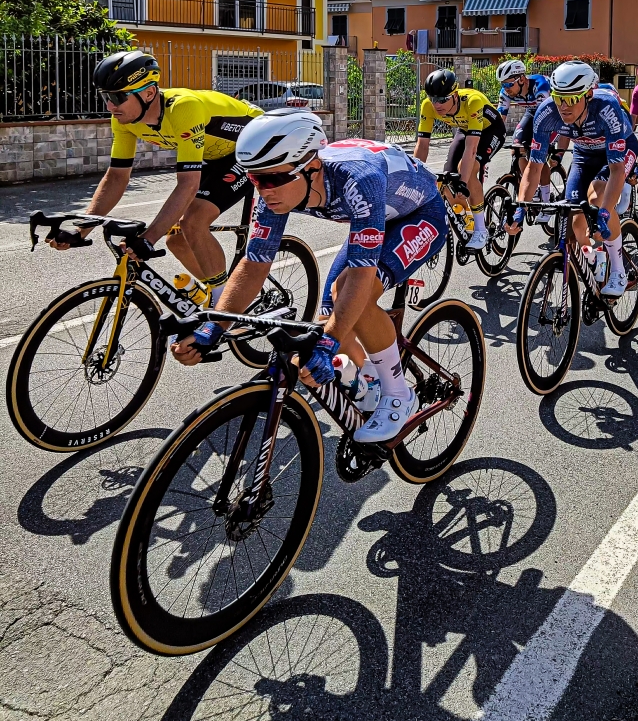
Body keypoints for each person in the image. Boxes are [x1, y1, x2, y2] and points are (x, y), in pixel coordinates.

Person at [173, 114, 448, 443]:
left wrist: (327, 344)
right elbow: (254, 265)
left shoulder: (358, 179)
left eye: (273, 179)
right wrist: (212, 327)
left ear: (312, 168)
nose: (264, 190)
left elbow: (361, 276)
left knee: (349, 295)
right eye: (256, 180)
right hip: (377, 216)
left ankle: (398, 393)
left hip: (421, 212)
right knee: (329, 315)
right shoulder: (273, 192)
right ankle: (371, 379)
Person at [48, 50, 263, 300]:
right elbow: (116, 177)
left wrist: (148, 239)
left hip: (254, 145)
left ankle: (224, 303)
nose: (110, 106)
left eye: (118, 97)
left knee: (193, 222)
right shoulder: (124, 119)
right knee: (176, 239)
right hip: (215, 155)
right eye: (106, 97)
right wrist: (81, 229)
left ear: (149, 93)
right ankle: (218, 294)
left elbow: (187, 184)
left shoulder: (183, 108)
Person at [510, 60, 638, 297]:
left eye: (570, 99)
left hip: (618, 154)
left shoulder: (606, 108)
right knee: (576, 218)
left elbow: (617, 169)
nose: (563, 107)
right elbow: (535, 165)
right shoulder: (547, 111)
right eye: (559, 98)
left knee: (597, 198)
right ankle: (594, 261)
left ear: (588, 95)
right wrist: (521, 207)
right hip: (584, 154)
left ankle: (619, 271)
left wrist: (605, 212)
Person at [413, 69, 505, 251]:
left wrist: (463, 182)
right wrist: (415, 175)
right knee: (447, 179)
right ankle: (466, 214)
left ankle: (481, 229)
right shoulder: (428, 106)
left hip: (490, 130)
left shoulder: (473, 101)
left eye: (442, 99)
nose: (436, 104)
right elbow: (422, 145)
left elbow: (471, 149)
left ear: (455, 94)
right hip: (464, 129)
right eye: (433, 99)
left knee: (467, 171)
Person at [495, 58, 557, 216]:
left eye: (509, 84)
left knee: (538, 156)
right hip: (532, 113)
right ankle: (533, 189)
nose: (506, 88)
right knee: (517, 147)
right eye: (503, 84)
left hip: (552, 116)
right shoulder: (506, 92)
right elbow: (499, 120)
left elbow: (544, 119)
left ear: (522, 79)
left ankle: (546, 200)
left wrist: (536, 143)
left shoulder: (541, 86)